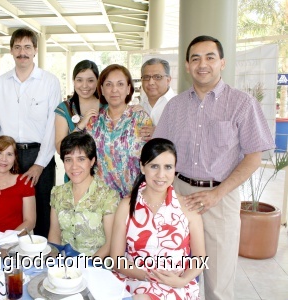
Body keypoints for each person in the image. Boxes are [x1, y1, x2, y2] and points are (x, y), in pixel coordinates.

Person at [153, 35, 274, 300]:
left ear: (222, 62)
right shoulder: (175, 107)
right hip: (179, 197)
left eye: (210, 57)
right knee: (175, 275)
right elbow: (160, 151)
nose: (202, 64)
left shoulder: (242, 104)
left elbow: (254, 157)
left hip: (221, 197)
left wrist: (217, 194)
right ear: (186, 65)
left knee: (218, 284)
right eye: (195, 58)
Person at [0, 27, 61, 237]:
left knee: (43, 210)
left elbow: (52, 126)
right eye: (17, 47)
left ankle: (43, 260)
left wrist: (39, 164)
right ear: (11, 51)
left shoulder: (49, 82)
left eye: (27, 47)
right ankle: (11, 259)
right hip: (8, 155)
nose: (22, 52)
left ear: (35, 50)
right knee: (11, 210)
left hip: (40, 154)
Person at [111, 138, 205, 299]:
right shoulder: (127, 206)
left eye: (168, 167)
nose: (161, 175)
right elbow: (116, 259)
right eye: (154, 166)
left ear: (175, 169)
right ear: (142, 167)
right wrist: (145, 276)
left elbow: (200, 258)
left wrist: (182, 280)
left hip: (176, 286)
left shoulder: (188, 207)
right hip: (133, 280)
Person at [48, 132, 119, 258]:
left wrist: (85, 265)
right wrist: (55, 262)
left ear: (92, 161)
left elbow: (110, 243)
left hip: (95, 266)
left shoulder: (108, 196)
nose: (74, 166)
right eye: (68, 160)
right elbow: (54, 233)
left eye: (81, 159)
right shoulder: (57, 193)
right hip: (64, 265)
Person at [86, 64, 151, 199]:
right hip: (102, 199)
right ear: (102, 89)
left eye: (120, 84)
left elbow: (152, 158)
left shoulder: (140, 118)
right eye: (108, 84)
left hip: (135, 198)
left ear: (128, 89)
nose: (114, 89)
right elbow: (80, 154)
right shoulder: (94, 122)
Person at [54, 60, 100, 154]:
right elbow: (60, 149)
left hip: (106, 167)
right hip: (76, 167)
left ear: (97, 81)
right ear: (73, 82)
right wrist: (80, 126)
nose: (84, 85)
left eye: (90, 80)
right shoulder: (65, 108)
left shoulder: (107, 106)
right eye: (79, 80)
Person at [139, 58, 175, 141]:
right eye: (146, 77)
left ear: (168, 80)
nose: (151, 82)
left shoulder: (180, 105)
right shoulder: (138, 107)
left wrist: (159, 132)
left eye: (157, 77)